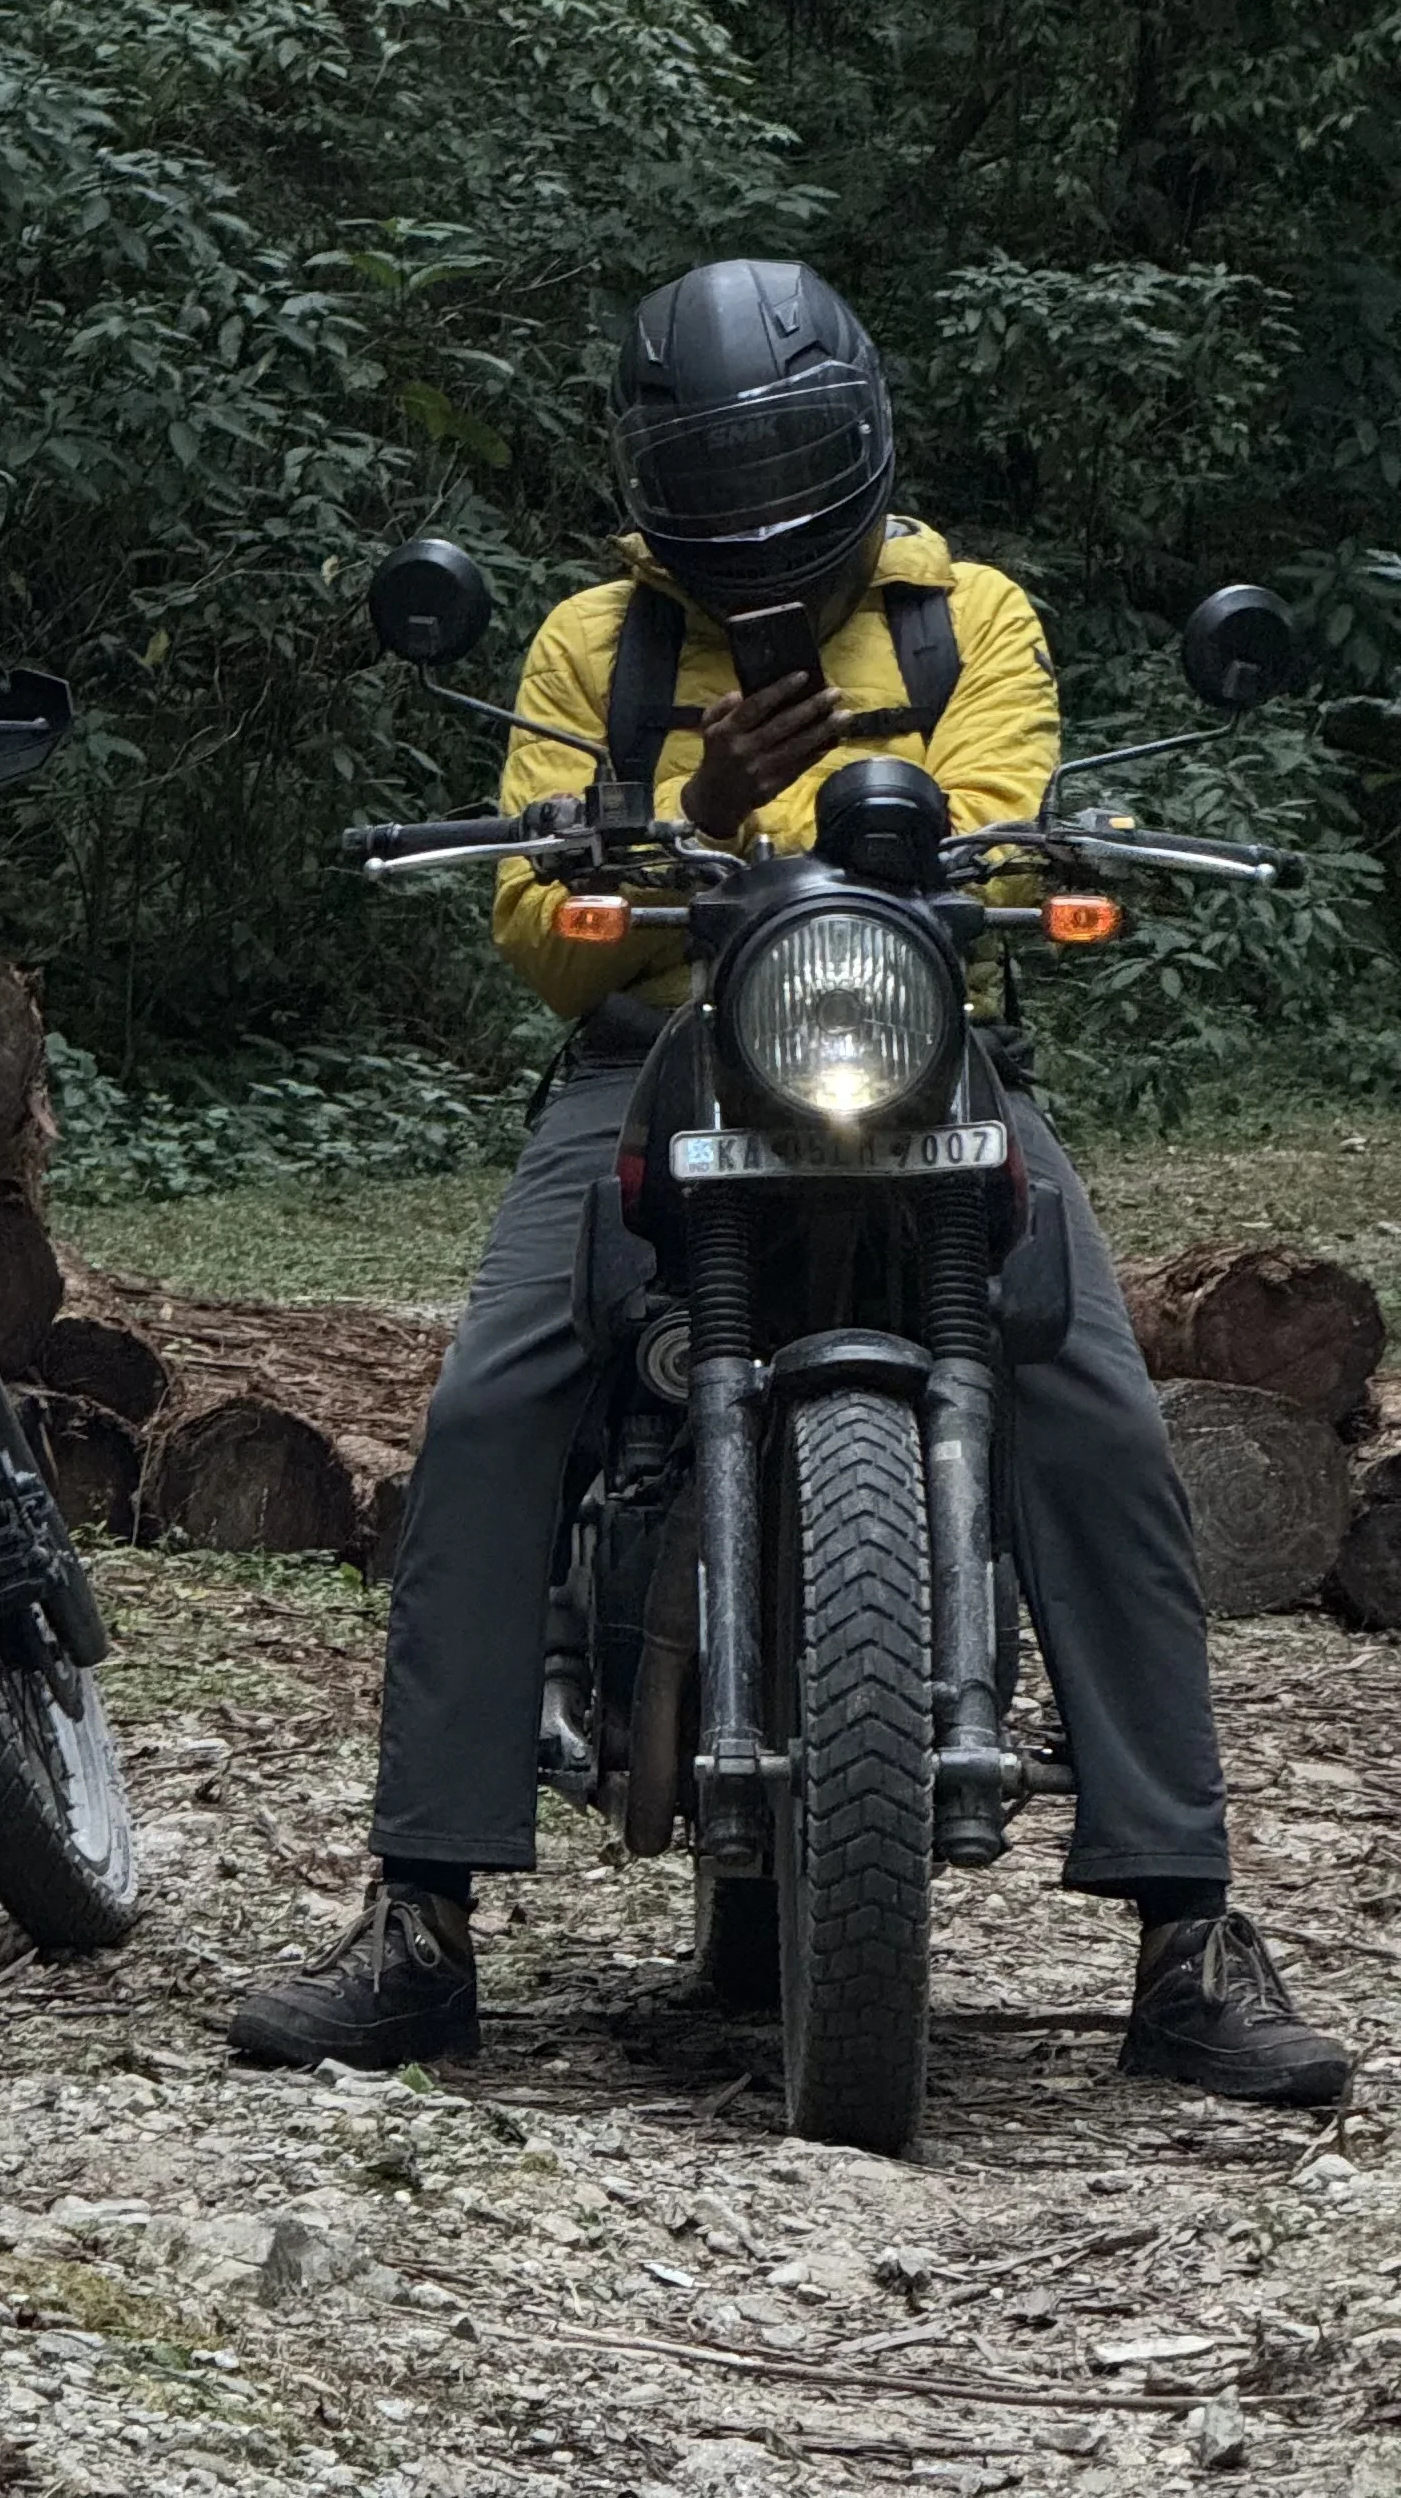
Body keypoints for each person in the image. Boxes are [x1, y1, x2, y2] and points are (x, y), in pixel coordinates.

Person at [228, 257, 1346, 2107]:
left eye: (786, 461)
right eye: (716, 469)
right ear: (656, 475)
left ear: (858, 442)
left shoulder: (965, 613)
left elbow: (997, 837)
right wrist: (714, 821)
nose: (754, 505)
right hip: (654, 1056)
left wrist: (845, 842)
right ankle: (418, 1920)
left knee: (1098, 1415)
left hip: (914, 1050)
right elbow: (541, 930)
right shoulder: (599, 642)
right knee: (498, 1399)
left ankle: (1188, 1926)